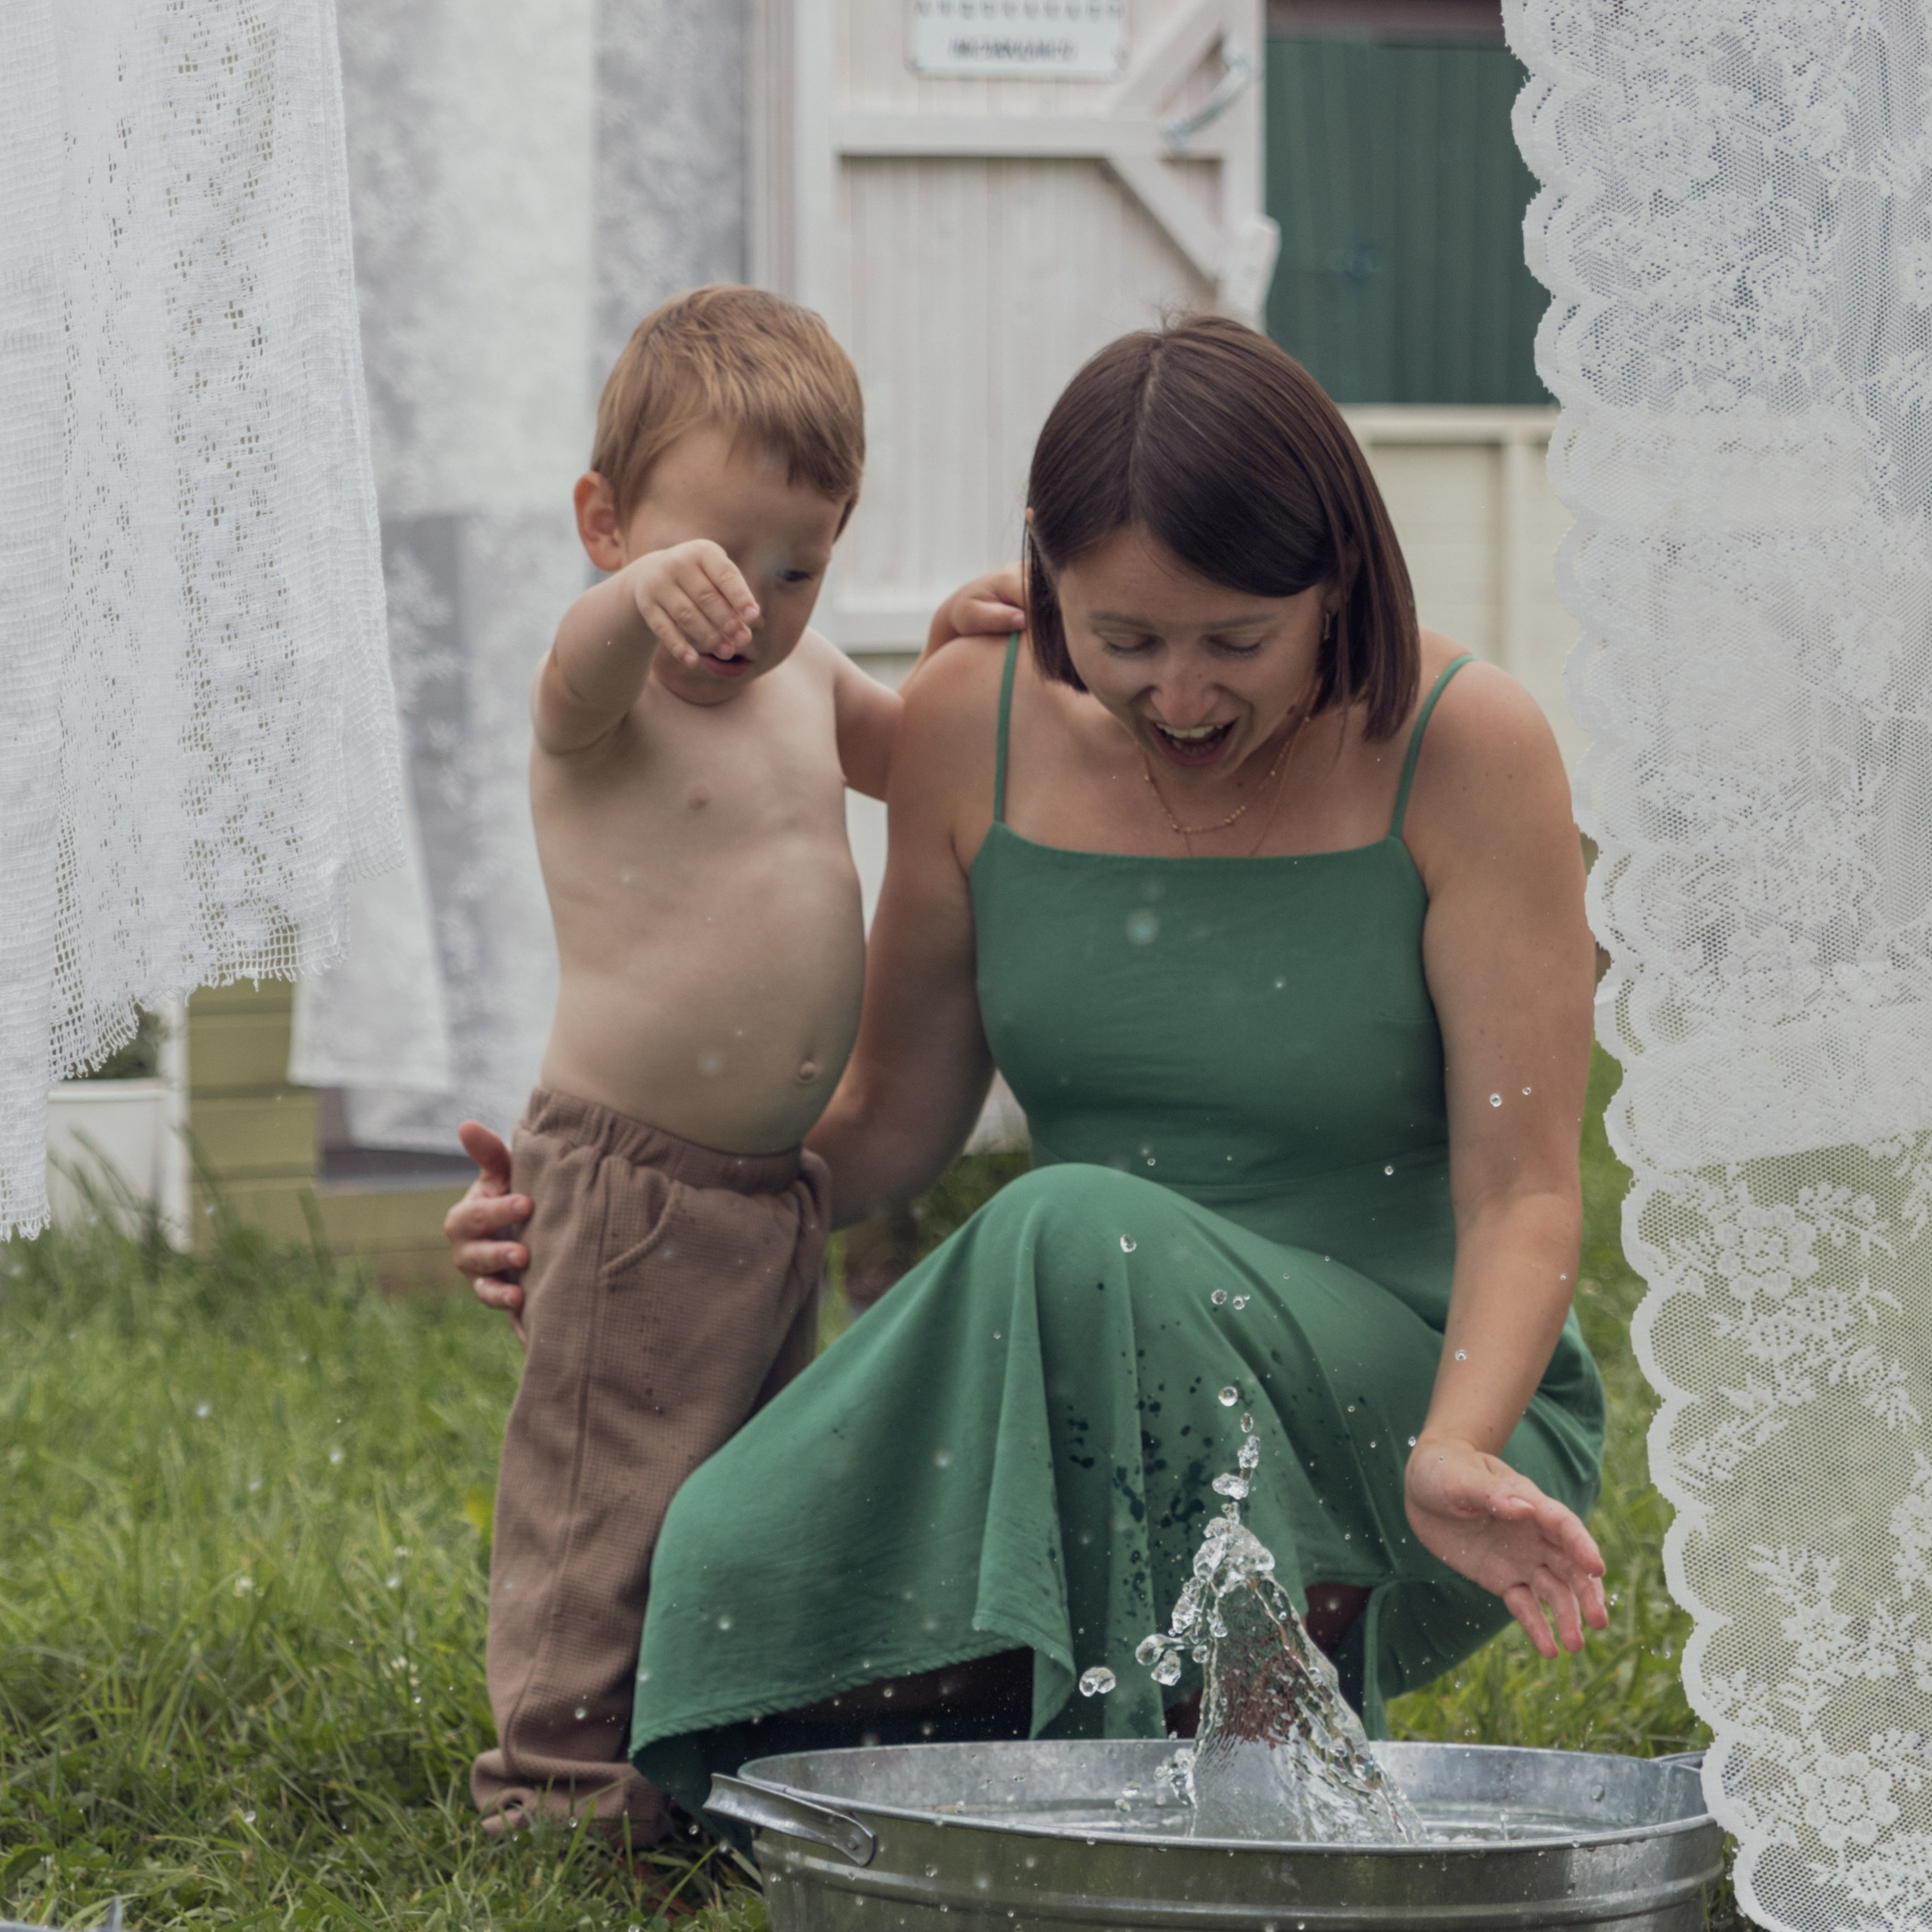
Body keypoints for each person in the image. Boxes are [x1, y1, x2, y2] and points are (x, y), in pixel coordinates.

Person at [446, 314, 1609, 1827]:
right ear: (1038, 569)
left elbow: (1522, 1195)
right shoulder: (967, 721)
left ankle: (1197, 1727)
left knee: (1071, 1220)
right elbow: (879, 1126)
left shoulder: (1470, 745)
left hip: (1417, 1398)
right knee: (711, 1563)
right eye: (1124, 638)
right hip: (1080, 1363)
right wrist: (624, 1226)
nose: (1177, 694)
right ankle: (1093, 1734)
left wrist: (1456, 1444)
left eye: (1234, 639)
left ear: (1337, 578)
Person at [462, 283, 914, 1842]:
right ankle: (559, 1788)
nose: (753, 605)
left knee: (732, 1494)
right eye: (714, 563)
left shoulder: (804, 676)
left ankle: (706, 1758)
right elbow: (576, 666)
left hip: (768, 1190)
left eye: (802, 566)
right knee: (606, 1497)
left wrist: (998, 654)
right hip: (633, 1175)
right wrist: (631, 602)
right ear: (609, 524)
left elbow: (915, 753)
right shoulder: (603, 702)